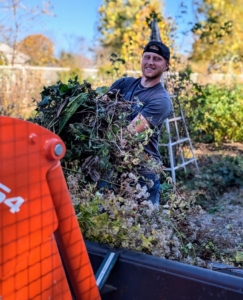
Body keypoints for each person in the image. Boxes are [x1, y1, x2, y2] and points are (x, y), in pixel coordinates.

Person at [106, 40, 172, 205]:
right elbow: (98, 111)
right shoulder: (124, 84)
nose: (150, 62)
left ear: (166, 66)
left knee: (145, 226)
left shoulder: (160, 100)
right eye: (147, 57)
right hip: (113, 165)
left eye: (156, 59)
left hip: (142, 172)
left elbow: (127, 135)